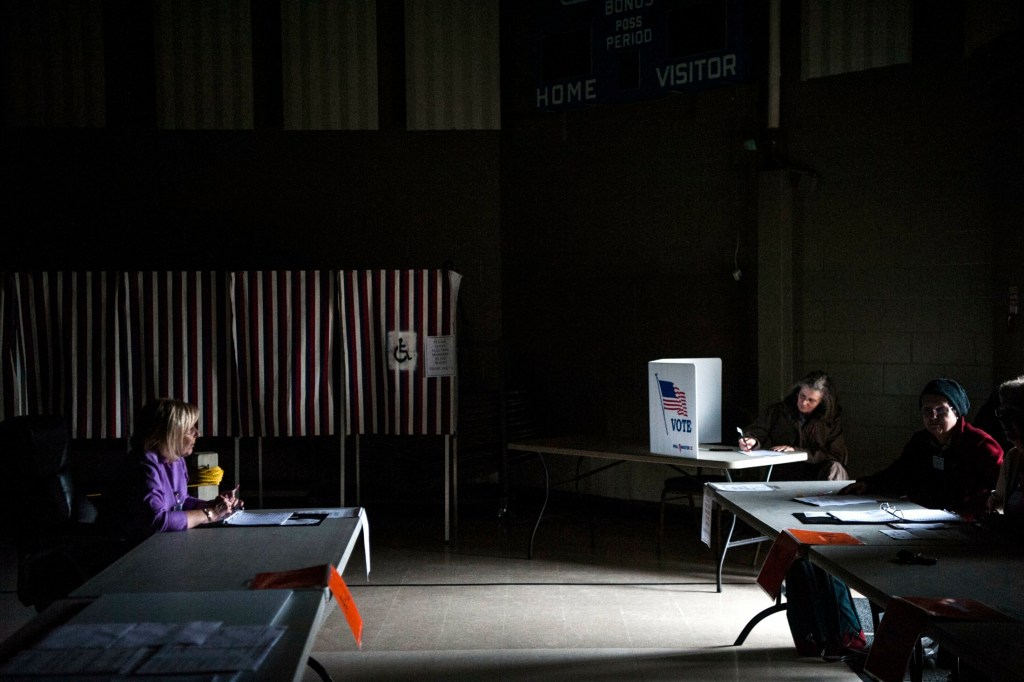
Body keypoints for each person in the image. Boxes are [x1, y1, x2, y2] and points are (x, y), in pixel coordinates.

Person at [840, 378, 1004, 521]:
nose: (933, 417)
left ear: (956, 411)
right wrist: (869, 484)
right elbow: (899, 473)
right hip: (922, 518)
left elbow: (1000, 487)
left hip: (966, 522)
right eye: (927, 410)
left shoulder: (979, 444)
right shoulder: (921, 441)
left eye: (940, 410)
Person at [123, 398, 243, 537]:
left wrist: (216, 505)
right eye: (190, 429)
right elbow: (157, 520)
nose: (197, 433)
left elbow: (181, 501)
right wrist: (210, 513)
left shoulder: (176, 460)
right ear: (170, 434)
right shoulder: (144, 465)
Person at [738, 370, 850, 481]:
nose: (804, 402)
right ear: (797, 392)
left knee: (836, 468)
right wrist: (752, 440)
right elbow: (758, 430)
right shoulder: (779, 410)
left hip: (817, 473)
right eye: (802, 396)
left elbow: (835, 454)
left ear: (822, 402)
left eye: (811, 400)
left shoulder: (831, 419)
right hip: (785, 472)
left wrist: (797, 451)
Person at [988, 375, 1024, 536]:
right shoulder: (1013, 457)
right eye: (1001, 413)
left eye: (1013, 413)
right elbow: (998, 502)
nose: (1004, 421)